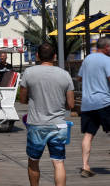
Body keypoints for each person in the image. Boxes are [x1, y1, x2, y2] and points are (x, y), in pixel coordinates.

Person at [19, 42, 74, 186]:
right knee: (58, 162)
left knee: (33, 161)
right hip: (58, 125)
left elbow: (22, 99)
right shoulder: (65, 75)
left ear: (37, 56)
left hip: (36, 125)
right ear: (54, 56)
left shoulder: (29, 73)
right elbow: (71, 104)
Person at [76, 36, 110, 178]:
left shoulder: (88, 59)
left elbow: (79, 78)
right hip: (104, 102)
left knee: (88, 135)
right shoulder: (108, 60)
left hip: (87, 103)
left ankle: (85, 166)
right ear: (106, 47)